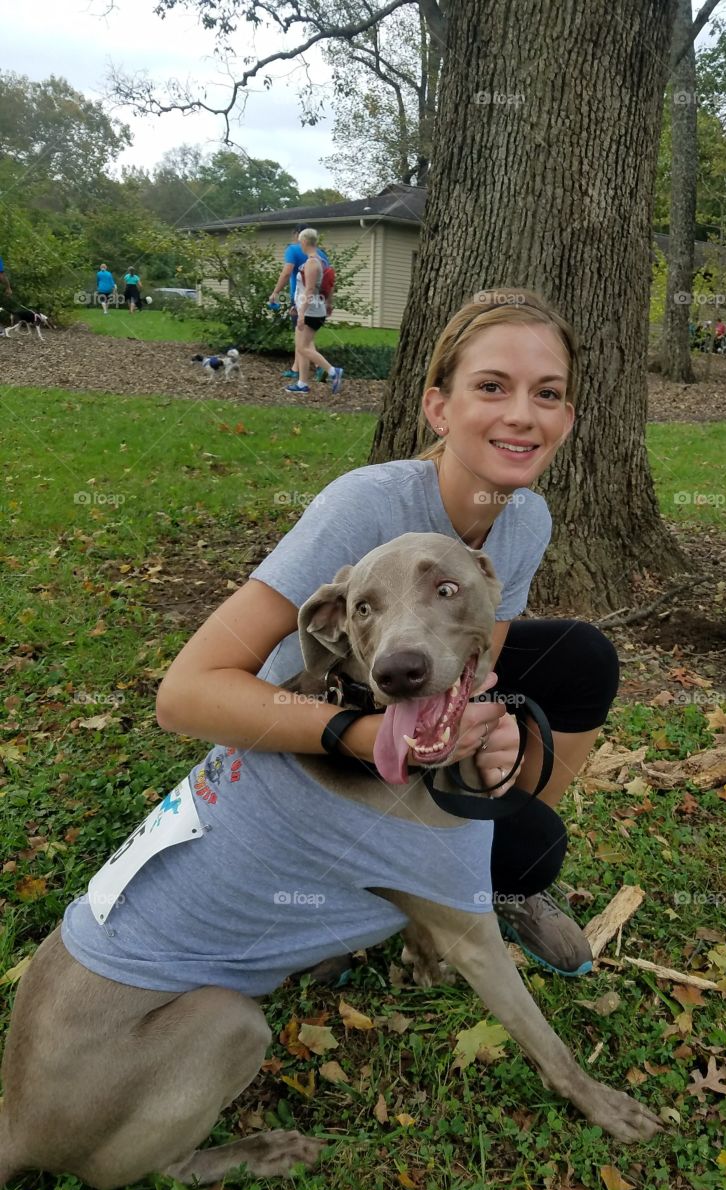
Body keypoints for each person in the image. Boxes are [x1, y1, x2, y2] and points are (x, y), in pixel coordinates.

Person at [155, 288, 616, 977]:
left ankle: (497, 885)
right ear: (439, 406)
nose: (522, 415)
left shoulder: (527, 521)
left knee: (576, 680)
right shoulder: (364, 505)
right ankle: (345, 895)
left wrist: (495, 725)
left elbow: (480, 654)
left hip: (414, 696)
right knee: (510, 838)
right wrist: (359, 735)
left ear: (567, 418)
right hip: (313, 733)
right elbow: (184, 696)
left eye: (546, 394)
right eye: (492, 386)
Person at [285, 227, 344, 395]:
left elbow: (309, 290)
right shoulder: (321, 261)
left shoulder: (311, 263)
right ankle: (302, 383)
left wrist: (301, 313)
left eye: (300, 242)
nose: (299, 245)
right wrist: (328, 304)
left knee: (303, 348)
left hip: (310, 311)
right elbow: (329, 285)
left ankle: (333, 371)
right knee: (301, 346)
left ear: (304, 242)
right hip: (313, 308)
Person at [268, 224, 331, 381]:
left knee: (302, 339)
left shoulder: (293, 249)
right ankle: (297, 371)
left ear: (299, 236)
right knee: (304, 337)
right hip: (319, 303)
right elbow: (329, 281)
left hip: (301, 299)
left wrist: (276, 292)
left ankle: (322, 369)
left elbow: (287, 272)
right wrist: (329, 303)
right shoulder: (322, 255)